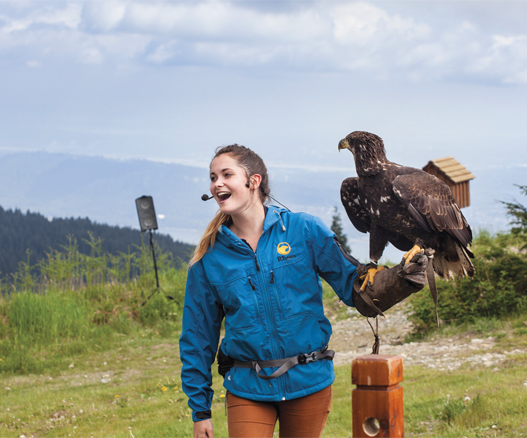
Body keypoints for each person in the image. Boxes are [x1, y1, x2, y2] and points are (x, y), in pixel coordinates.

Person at [179, 144, 428, 438]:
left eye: (226, 175)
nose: (216, 183)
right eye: (213, 177)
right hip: (248, 385)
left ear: (253, 181)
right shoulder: (209, 258)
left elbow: (354, 286)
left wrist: (397, 281)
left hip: (309, 380)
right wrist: (200, 411)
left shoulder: (303, 230)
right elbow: (197, 337)